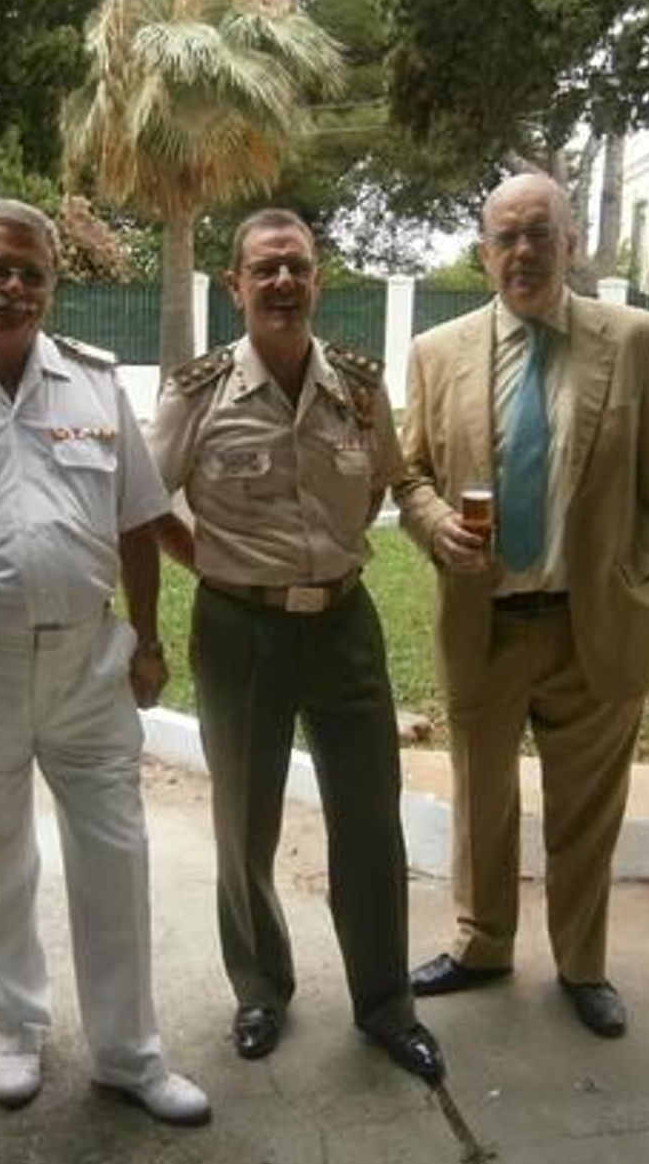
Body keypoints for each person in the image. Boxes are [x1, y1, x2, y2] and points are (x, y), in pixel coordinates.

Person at [0, 199, 209, 1127]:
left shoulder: (94, 385)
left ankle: (129, 1052)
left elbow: (138, 520)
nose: (13, 287)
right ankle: (15, 1028)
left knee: (116, 854)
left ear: (52, 287)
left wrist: (146, 640)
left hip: (86, 664)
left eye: (32, 273)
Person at [148, 208, 443, 1083]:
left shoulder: (357, 386)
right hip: (240, 629)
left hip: (346, 623)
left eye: (298, 268)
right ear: (235, 286)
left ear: (317, 281)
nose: (282, 283)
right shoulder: (196, 392)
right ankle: (260, 989)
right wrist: (211, 561)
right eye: (264, 269)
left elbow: (386, 479)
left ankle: (386, 1003)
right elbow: (144, 497)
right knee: (246, 823)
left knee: (369, 818)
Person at [395, 173, 649, 1039]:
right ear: (484, 251)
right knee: (481, 799)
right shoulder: (437, 351)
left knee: (586, 809)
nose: (523, 251)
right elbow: (407, 471)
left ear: (570, 245)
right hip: (484, 620)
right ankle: (482, 943)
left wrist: (648, 583)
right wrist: (435, 523)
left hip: (588, 620)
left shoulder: (639, 341)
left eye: (540, 234)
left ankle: (582, 964)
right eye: (506, 237)